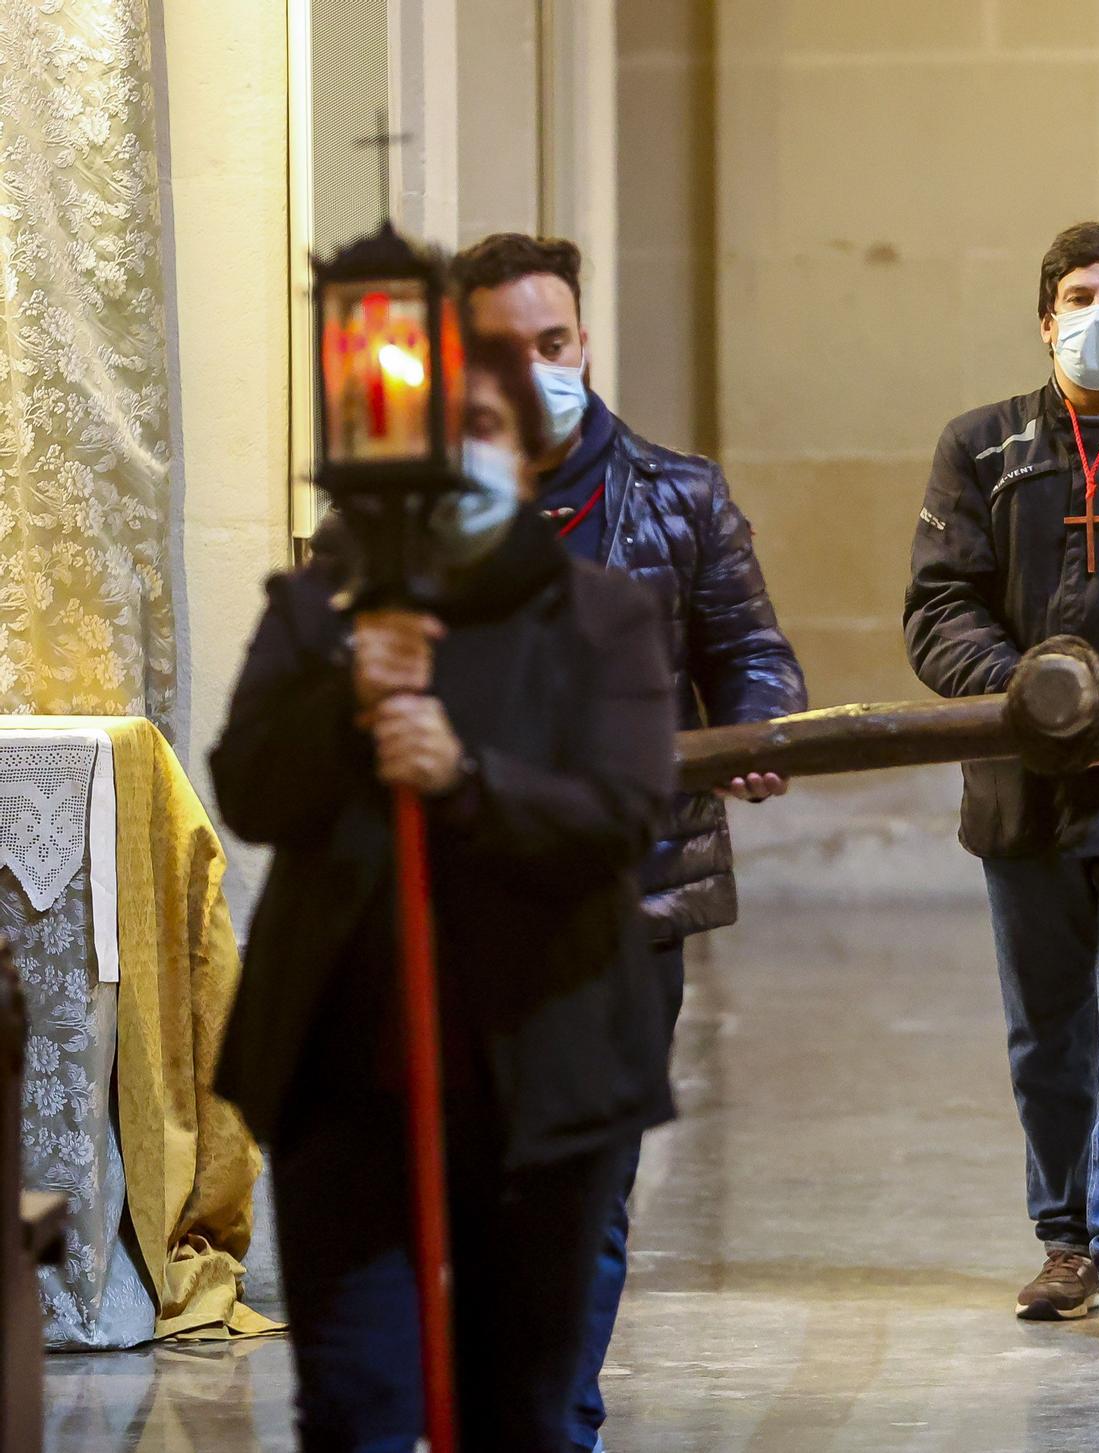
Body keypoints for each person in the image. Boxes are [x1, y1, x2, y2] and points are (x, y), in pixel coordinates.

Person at [210, 338, 679, 1452]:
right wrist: (343, 699)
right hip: (351, 1087)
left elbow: (619, 811)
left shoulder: (598, 616)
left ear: (526, 458)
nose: (456, 455)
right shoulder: (325, 606)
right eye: (436, 432)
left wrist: (467, 781)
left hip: (541, 1082)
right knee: (358, 1402)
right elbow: (248, 788)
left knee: (515, 1409)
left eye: (484, 429)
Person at [451, 233, 807, 1452]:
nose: (535, 366)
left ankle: (555, 1425)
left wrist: (754, 728)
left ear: (583, 342)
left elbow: (752, 651)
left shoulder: (677, 494)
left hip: (627, 893)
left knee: (584, 1189)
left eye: (552, 342)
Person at [905, 221, 1099, 1338]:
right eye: (1080, 294)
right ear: (1044, 317)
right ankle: (1068, 1240)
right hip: (1022, 792)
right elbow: (938, 610)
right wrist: (1036, 691)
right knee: (1047, 1029)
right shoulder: (979, 448)